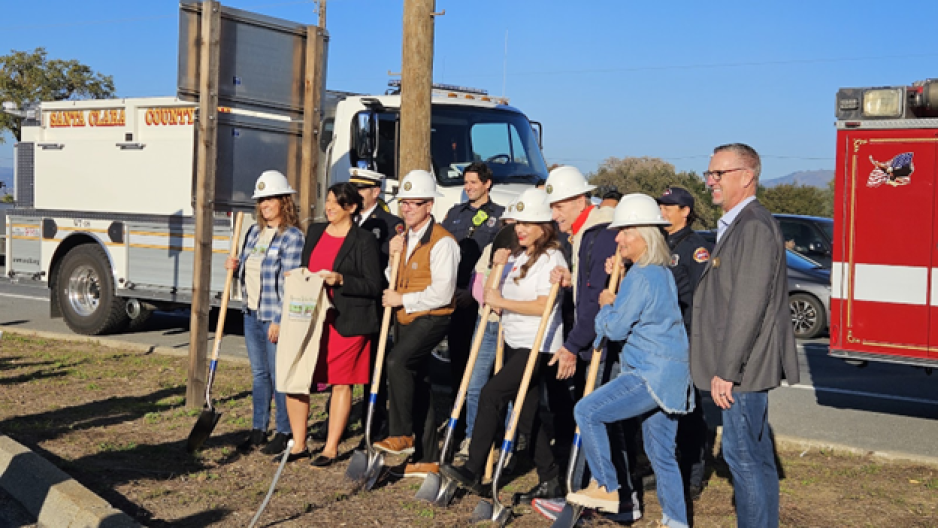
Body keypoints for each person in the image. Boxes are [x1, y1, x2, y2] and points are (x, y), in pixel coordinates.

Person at [565, 193, 693, 528]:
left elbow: (617, 328)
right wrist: (620, 282)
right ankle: (676, 521)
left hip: (649, 373)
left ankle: (607, 487)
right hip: (671, 375)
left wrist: (608, 303)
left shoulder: (643, 275)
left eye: (624, 232)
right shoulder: (659, 272)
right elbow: (642, 312)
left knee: (587, 411)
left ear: (643, 235)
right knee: (661, 454)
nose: (617, 237)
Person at [692, 143, 800, 528]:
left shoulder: (752, 225)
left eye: (719, 173)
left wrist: (727, 370)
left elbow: (747, 307)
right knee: (754, 457)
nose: (711, 181)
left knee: (744, 458)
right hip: (740, 366)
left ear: (747, 176)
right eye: (710, 173)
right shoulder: (740, 223)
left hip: (742, 369)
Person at [440, 188, 567, 494]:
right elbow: (499, 295)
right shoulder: (520, 256)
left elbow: (542, 305)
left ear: (543, 227)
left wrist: (503, 302)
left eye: (527, 224)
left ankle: (473, 468)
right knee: (526, 413)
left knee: (491, 394)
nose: (520, 229)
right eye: (517, 224)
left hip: (539, 346)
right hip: (515, 340)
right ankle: (551, 477)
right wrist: (498, 276)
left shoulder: (552, 257)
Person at [532, 166, 640, 515]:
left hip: (605, 342)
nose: (553, 215)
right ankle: (609, 494)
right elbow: (588, 285)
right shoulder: (584, 235)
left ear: (580, 200)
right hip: (596, 338)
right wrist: (571, 280)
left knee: (602, 418)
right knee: (603, 419)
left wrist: (573, 345)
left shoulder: (601, 233)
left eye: (558, 206)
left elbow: (596, 300)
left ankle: (613, 494)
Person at [280, 183, 383, 466]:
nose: (329, 207)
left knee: (341, 381)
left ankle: (331, 448)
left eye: (336, 203)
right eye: (327, 201)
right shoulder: (314, 232)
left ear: (351, 207)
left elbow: (374, 285)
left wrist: (341, 280)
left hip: (347, 320)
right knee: (298, 376)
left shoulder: (363, 240)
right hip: (311, 318)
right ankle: (298, 444)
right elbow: (306, 269)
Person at [375, 169, 459, 478]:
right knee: (419, 381)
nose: (407, 208)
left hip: (433, 317)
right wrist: (391, 260)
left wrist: (402, 300)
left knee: (397, 362)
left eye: (415, 203)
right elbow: (394, 280)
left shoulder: (443, 243)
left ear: (429, 206)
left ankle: (402, 433)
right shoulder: (403, 238)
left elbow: (442, 292)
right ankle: (426, 457)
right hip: (407, 315)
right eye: (404, 203)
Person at [228, 170, 305, 455]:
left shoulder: (292, 237)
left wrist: (280, 319)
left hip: (274, 316)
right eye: (261, 200)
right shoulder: (253, 233)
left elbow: (292, 282)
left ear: (283, 201)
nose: (265, 205)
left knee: (278, 373)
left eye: (270, 198)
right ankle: (258, 428)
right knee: (259, 374)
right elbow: (249, 270)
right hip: (251, 312)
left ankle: (284, 431)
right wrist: (234, 267)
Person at [657, 186, 713, 501]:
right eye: (661, 205)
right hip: (660, 339)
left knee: (689, 408)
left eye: (669, 206)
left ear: (685, 212)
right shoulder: (660, 243)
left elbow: (700, 300)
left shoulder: (695, 249)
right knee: (663, 406)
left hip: (685, 339)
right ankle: (666, 465)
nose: (663, 210)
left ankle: (693, 474)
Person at [440, 162, 505, 432]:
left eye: (473, 183)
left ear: (487, 184)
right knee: (458, 360)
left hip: (480, 301)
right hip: (454, 298)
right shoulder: (455, 214)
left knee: (481, 364)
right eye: (465, 183)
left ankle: (482, 421)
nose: (468, 188)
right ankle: (458, 415)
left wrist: (472, 293)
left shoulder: (499, 217)